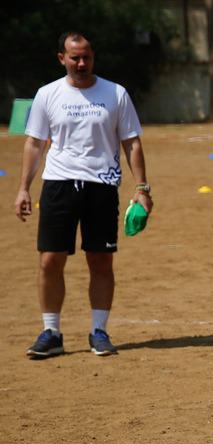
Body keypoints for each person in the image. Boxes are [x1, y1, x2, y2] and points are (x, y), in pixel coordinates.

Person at [14, 32, 152, 358]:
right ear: (61, 58)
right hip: (58, 184)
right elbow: (34, 143)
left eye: (86, 57)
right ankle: (51, 332)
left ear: (93, 57)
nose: (81, 63)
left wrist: (142, 188)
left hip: (102, 186)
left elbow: (131, 142)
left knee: (101, 260)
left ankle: (99, 331)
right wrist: (23, 188)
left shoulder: (115, 93)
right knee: (50, 260)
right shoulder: (47, 94)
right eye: (74, 57)